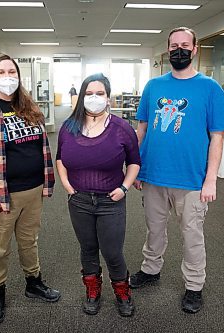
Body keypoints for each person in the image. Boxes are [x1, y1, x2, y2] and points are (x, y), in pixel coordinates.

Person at [130, 27, 224, 314]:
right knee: (154, 230)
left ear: (195, 49)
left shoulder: (210, 88)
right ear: (167, 49)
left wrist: (211, 179)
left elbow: (218, 137)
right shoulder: (154, 86)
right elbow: (142, 130)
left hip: (192, 179)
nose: (179, 50)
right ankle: (151, 270)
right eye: (174, 45)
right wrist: (136, 168)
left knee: (192, 235)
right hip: (153, 175)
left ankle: (194, 286)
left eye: (185, 45)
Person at [0, 55, 60, 325]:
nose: (7, 76)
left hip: (34, 189)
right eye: (1, 71)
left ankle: (33, 282)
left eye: (11, 71)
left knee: (29, 241)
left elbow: (39, 145)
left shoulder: (28, 105)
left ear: (18, 76)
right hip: (0, 193)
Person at [56, 73, 141, 317]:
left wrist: (124, 187)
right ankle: (92, 291)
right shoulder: (69, 127)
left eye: (100, 93)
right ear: (82, 96)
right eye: (89, 93)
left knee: (113, 252)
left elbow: (134, 162)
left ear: (108, 98)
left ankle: (122, 293)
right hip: (79, 200)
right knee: (88, 248)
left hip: (110, 201)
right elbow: (60, 158)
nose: (94, 98)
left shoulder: (122, 128)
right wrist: (66, 183)